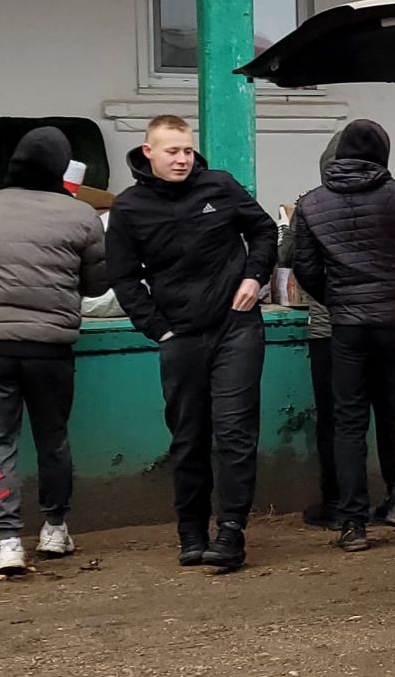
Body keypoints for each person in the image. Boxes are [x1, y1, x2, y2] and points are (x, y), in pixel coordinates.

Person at [0, 127, 109, 576]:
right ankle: (54, 528)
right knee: (53, 437)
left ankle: (8, 540)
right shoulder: (82, 216)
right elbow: (97, 283)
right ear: (60, 168)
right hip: (51, 348)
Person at [106, 114, 278, 572]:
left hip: (236, 326)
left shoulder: (219, 186)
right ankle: (191, 531)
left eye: (186, 150)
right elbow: (122, 276)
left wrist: (254, 276)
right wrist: (156, 327)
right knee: (188, 437)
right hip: (179, 334)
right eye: (172, 151)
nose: (182, 159)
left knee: (235, 432)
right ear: (148, 153)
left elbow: (264, 230)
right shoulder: (129, 209)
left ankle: (232, 531)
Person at [290, 119, 395, 552]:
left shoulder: (311, 204)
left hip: (346, 326)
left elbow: (304, 266)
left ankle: (352, 522)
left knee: (348, 422)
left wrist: (337, 299)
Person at [279, 134, 339, 531]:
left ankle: (337, 504)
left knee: (334, 420)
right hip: (387, 326)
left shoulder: (311, 204)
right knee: (388, 415)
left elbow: (287, 258)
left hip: (328, 329)